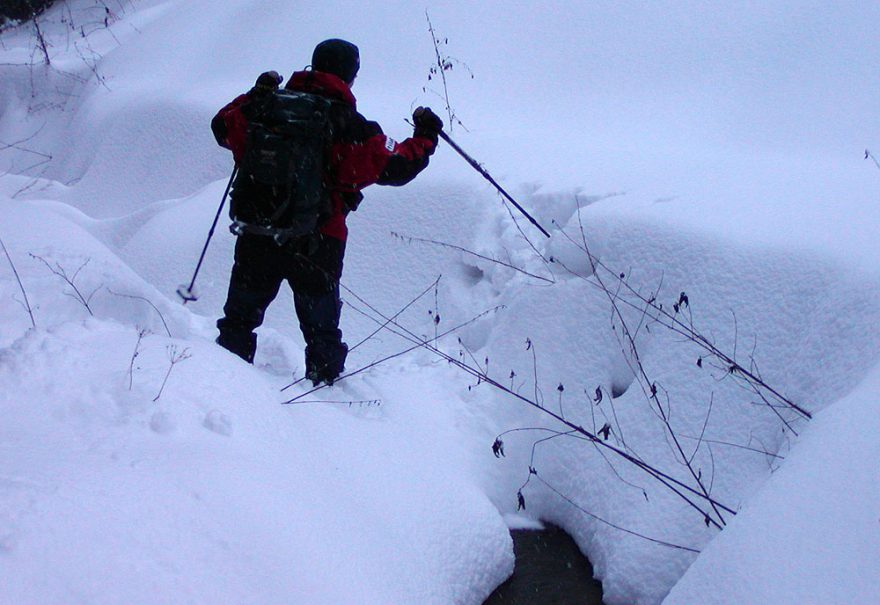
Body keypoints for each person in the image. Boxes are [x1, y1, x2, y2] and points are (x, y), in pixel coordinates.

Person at [210, 38, 443, 385]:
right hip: (317, 240)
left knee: (238, 322)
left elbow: (221, 127)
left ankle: (222, 387)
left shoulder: (267, 107)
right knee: (321, 334)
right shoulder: (350, 125)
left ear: (313, 64)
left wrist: (255, 93)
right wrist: (425, 137)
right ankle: (325, 400)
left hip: (258, 231)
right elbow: (395, 167)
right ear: (351, 76)